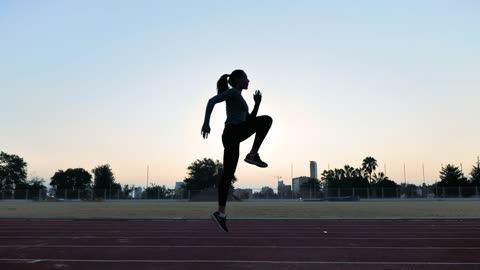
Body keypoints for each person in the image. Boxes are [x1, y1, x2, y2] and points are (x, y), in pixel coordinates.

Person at [201, 69, 272, 232]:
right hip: (233, 131)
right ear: (239, 79)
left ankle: (221, 213)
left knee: (227, 175)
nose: (249, 81)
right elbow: (211, 101)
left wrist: (257, 104)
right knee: (267, 120)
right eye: (246, 78)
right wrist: (206, 123)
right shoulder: (232, 93)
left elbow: (250, 120)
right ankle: (253, 154)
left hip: (235, 133)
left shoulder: (239, 98)